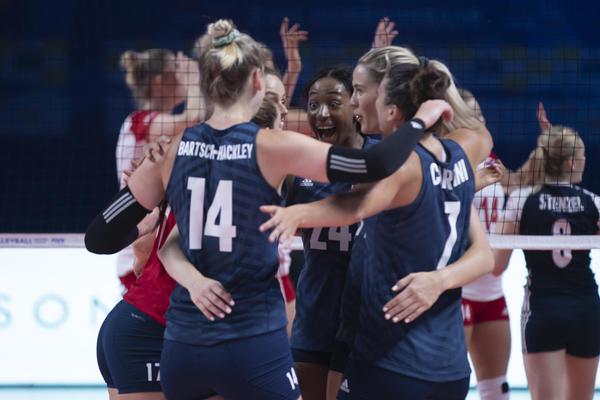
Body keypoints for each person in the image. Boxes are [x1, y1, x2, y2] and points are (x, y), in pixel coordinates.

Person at [85, 19, 452, 400]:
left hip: (181, 346)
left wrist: (144, 223)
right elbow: (375, 164)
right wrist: (421, 119)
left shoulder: (172, 148)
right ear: (257, 81)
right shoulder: (272, 146)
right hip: (244, 342)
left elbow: (99, 238)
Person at [258, 48, 494, 400]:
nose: (354, 101)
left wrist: (298, 214)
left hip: (390, 352)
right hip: (443, 361)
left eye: (358, 90)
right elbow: (478, 137)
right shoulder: (456, 155)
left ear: (390, 103)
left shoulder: (399, 167)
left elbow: (358, 203)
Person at [286, 66, 378, 400]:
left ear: (354, 105)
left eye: (333, 103)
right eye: (313, 105)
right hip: (315, 318)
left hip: (367, 321)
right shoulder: (299, 165)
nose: (322, 113)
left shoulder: (382, 159)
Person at [494, 126, 600, 400]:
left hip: (543, 311)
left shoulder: (521, 200)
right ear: (571, 163)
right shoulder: (593, 203)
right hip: (586, 311)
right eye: (583, 156)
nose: (585, 161)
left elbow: (496, 266)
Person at [115, 49, 204, 290]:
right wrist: (194, 79)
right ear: (159, 81)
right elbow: (193, 119)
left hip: (162, 247)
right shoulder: (138, 120)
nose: (183, 75)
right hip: (139, 251)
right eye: (177, 70)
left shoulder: (161, 123)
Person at [460, 90, 511, 400]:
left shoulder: (494, 164)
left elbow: (522, 185)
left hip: (493, 292)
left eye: (480, 113)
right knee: (450, 385)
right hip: (459, 293)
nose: (479, 120)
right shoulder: (451, 168)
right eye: (471, 115)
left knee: (496, 388)